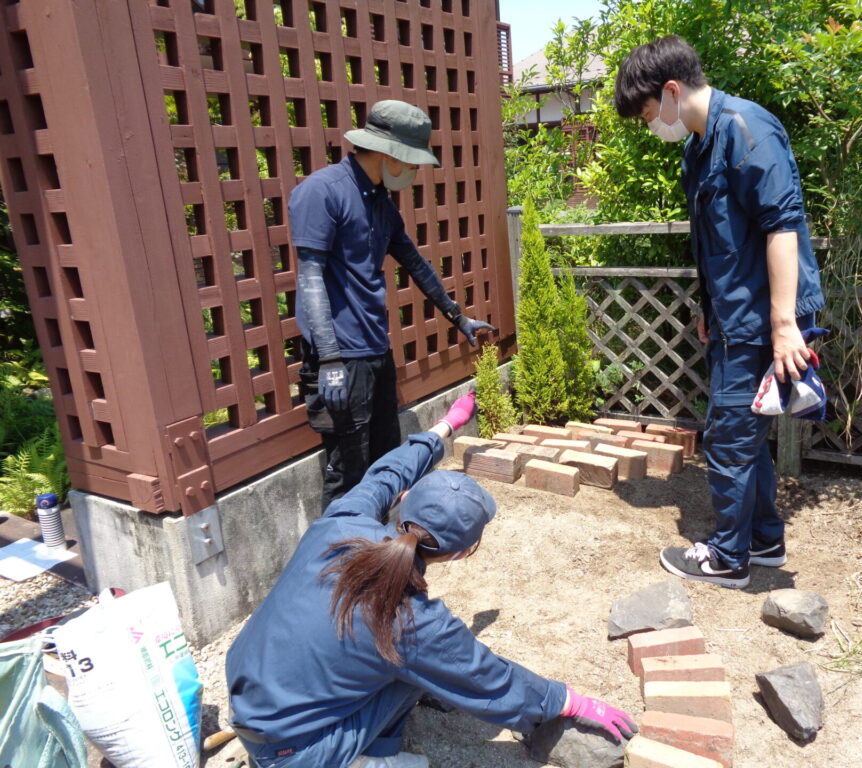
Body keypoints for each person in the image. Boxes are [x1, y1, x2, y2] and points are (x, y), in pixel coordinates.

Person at [226, 392, 637, 768]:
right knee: (416, 674)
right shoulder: (410, 624)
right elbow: (485, 678)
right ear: (462, 553)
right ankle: (375, 762)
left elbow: (384, 473)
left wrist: (445, 426)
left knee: (400, 664)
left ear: (404, 499)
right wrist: (566, 701)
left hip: (249, 695)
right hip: (291, 752)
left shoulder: (341, 522)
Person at [613, 36, 826, 589]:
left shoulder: (748, 129)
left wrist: (784, 327)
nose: (650, 125)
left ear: (672, 91)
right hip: (732, 316)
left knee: (728, 438)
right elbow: (713, 241)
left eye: (646, 113)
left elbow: (781, 226)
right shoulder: (699, 147)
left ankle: (729, 558)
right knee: (746, 436)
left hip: (762, 320)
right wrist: (708, 307)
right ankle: (765, 539)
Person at [289, 100, 494, 509]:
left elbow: (414, 262)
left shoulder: (380, 201)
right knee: (347, 472)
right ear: (390, 155)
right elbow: (309, 275)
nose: (416, 172)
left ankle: (378, 555)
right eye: (413, 162)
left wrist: (458, 317)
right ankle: (340, 564)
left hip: (375, 353)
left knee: (385, 463)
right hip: (341, 359)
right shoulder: (322, 191)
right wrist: (328, 359)